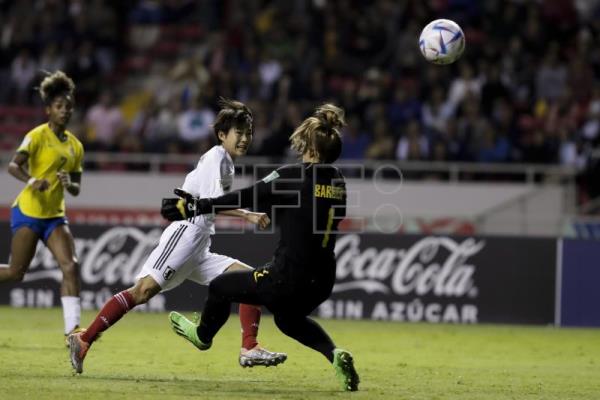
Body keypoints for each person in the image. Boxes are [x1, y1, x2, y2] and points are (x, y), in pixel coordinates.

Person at [68, 98, 286, 374]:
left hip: (200, 243)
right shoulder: (216, 157)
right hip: (185, 233)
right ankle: (84, 340)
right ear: (222, 135)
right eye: (239, 133)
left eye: (248, 133)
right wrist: (249, 215)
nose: (245, 138)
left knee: (250, 283)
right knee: (142, 292)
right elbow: (212, 201)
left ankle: (249, 347)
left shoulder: (227, 163)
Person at [162, 104, 360, 391]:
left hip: (288, 276)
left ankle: (202, 335)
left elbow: (247, 195)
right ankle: (334, 354)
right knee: (288, 319)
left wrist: (196, 206)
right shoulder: (339, 182)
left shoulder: (293, 176)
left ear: (312, 149)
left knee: (220, 286)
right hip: (322, 281)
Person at [0, 71, 85, 342]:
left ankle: (73, 333)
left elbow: (77, 188)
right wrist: (32, 179)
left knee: (70, 266)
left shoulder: (75, 146)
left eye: (68, 107)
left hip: (54, 217)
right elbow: (13, 165)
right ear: (48, 110)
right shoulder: (36, 136)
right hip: (28, 212)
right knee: (16, 273)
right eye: (59, 106)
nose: (65, 111)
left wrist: (68, 181)